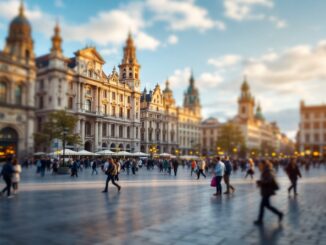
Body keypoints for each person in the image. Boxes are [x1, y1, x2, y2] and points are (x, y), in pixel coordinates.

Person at [254, 160, 283, 226]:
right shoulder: (266, 170)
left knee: (262, 206)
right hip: (266, 190)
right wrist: (261, 181)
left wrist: (260, 182)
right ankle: (279, 214)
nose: (259, 166)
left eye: (260, 164)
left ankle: (260, 220)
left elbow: (268, 180)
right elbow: (266, 179)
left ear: (264, 164)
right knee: (267, 206)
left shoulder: (267, 170)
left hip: (267, 190)